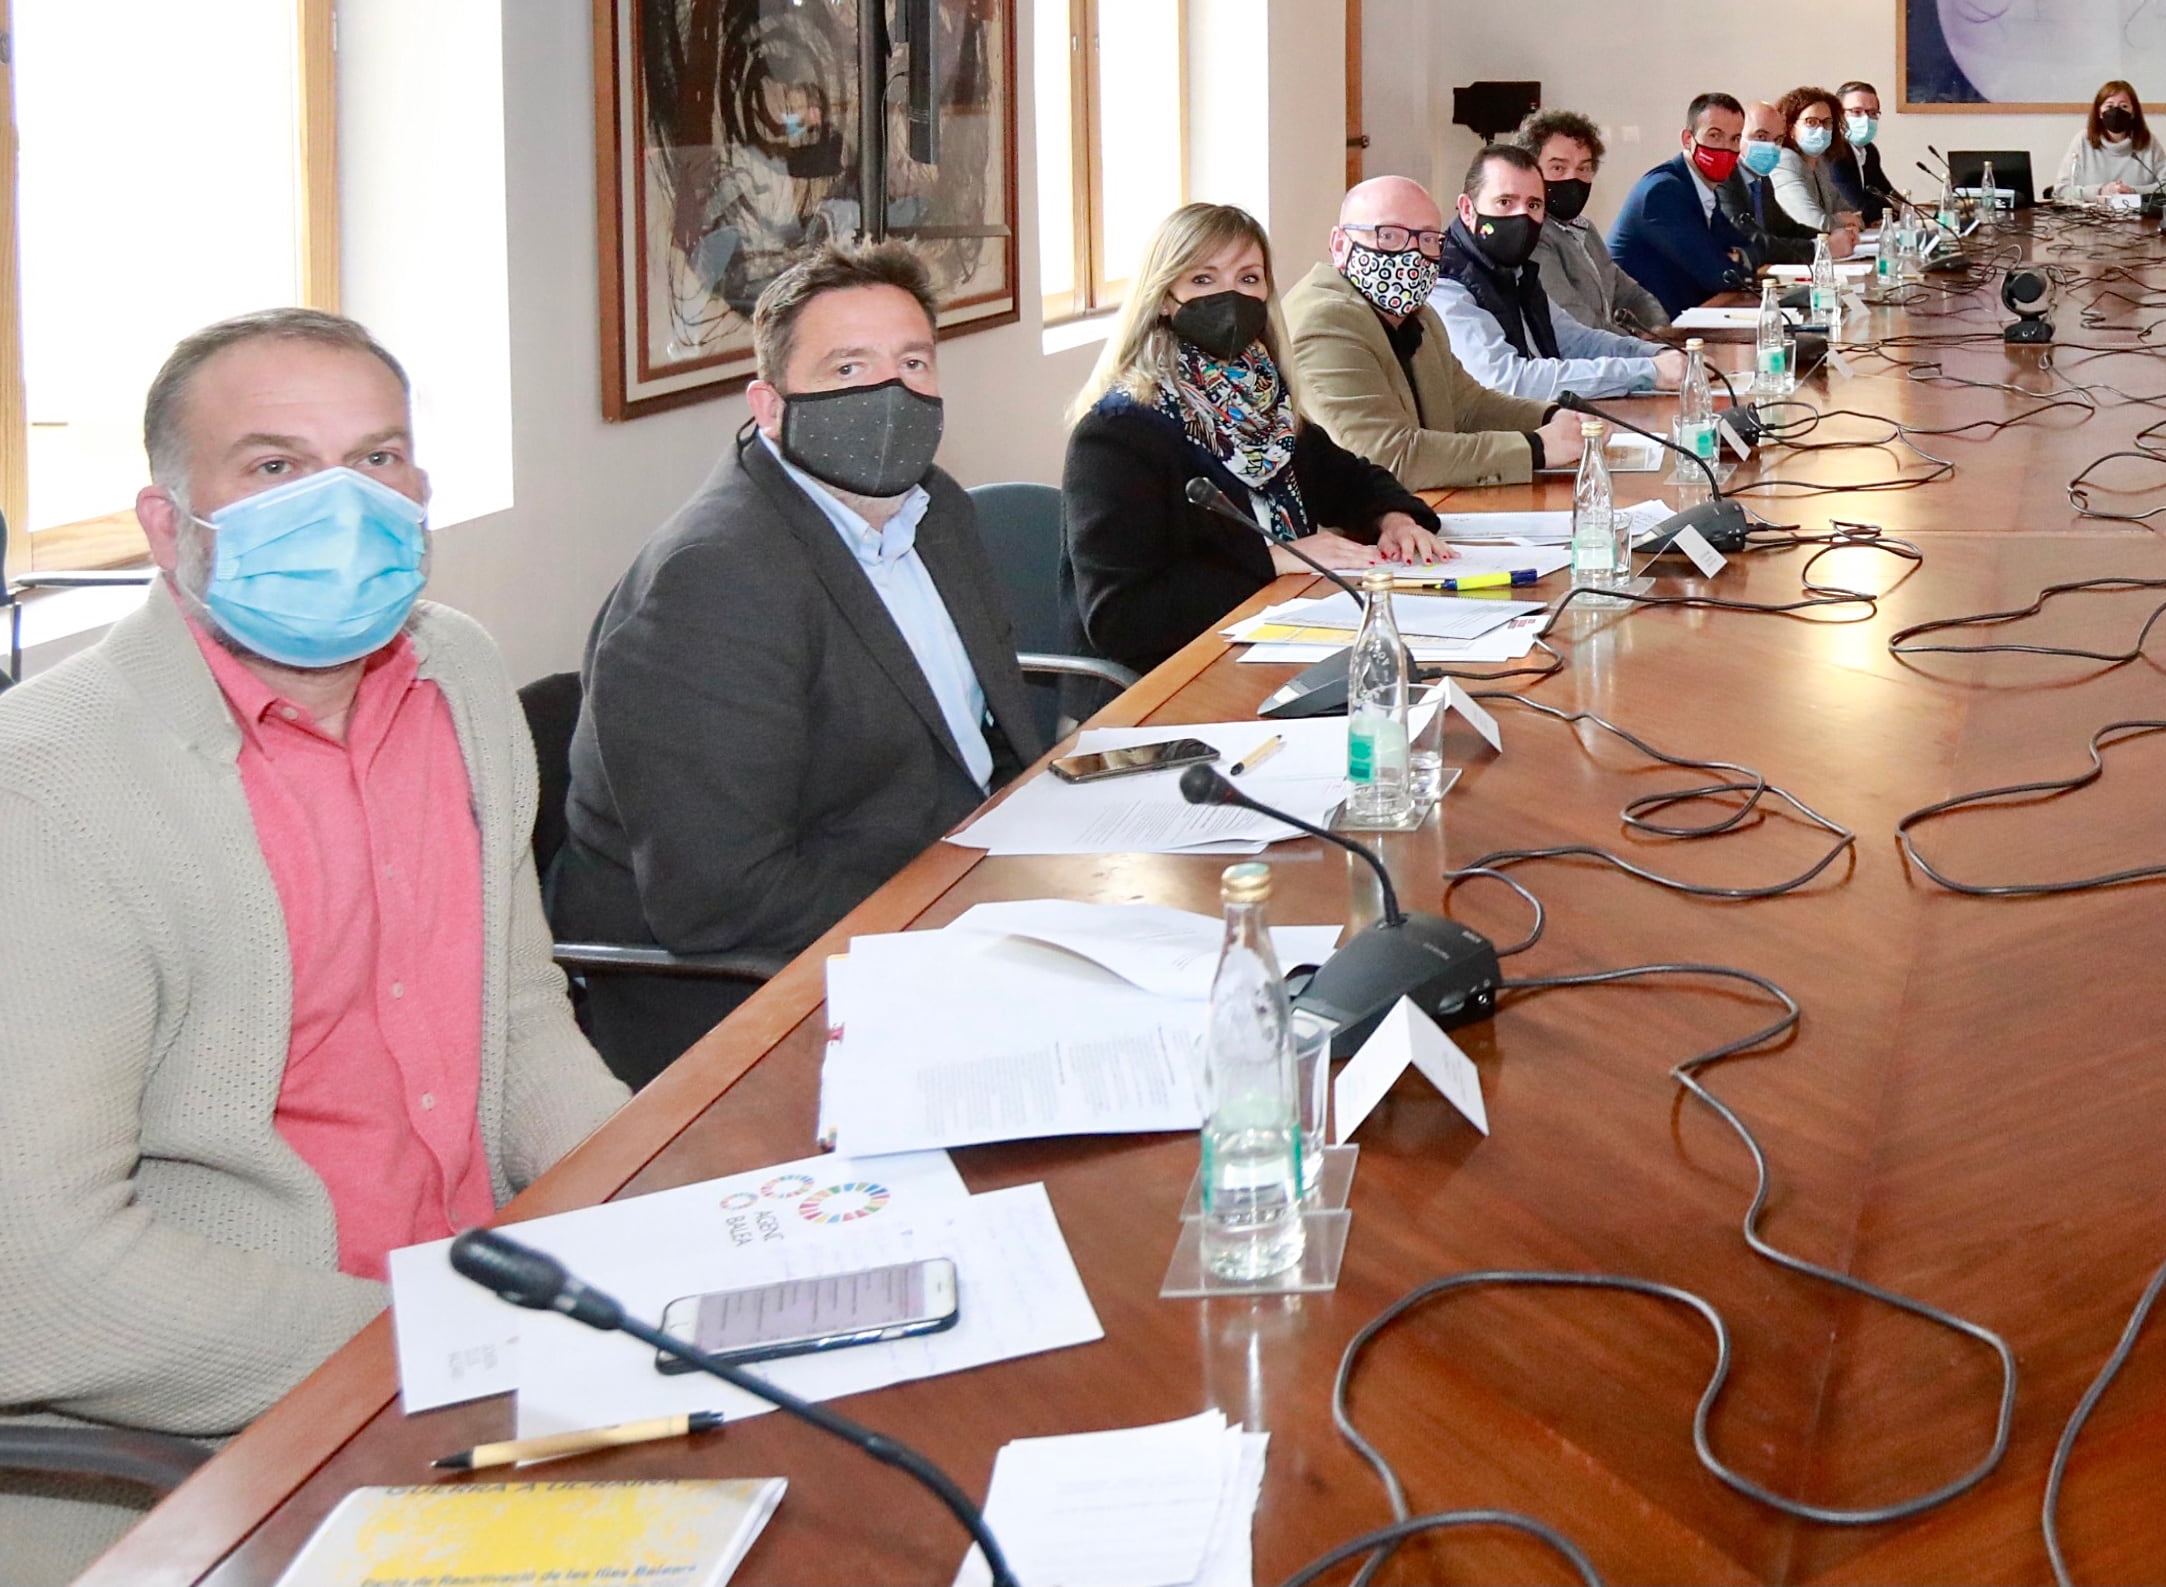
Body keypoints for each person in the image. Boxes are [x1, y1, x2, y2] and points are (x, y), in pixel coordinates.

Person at [0, 312, 625, 1576]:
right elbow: (42, 1278)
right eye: (275, 467)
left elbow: (515, 1020)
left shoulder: (458, 674)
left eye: (379, 456)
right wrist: (458, 1337)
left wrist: (656, 1219)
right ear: (170, 525)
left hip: (485, 1347)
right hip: (220, 1449)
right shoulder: (48, 790)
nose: (344, 501)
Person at [555, 243, 1039, 1085]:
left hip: (938, 903)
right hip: (756, 1001)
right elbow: (722, 898)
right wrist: (961, 907)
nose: (889, 393)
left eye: (912, 362)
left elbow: (983, 738)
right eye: (847, 365)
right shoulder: (712, 579)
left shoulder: (936, 510)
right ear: (770, 405)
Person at [1065, 203, 1447, 673]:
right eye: (1203, 280)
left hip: (1284, 638)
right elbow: (1119, 618)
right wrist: (1270, 560)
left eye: (1249, 279)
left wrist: (1395, 519)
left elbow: (1350, 479)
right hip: (1177, 677)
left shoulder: (1261, 401)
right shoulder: (1118, 433)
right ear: (1164, 296)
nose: (1231, 296)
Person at [1286, 176, 1581, 492]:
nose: (1412, 256)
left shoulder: (1420, 317)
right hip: (1353, 534)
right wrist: (1536, 448)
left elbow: (1469, 406)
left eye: (1427, 239)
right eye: (1389, 235)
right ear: (1340, 245)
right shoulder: (1324, 322)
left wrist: (1554, 417)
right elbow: (1389, 458)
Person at [1433, 143, 1690, 400]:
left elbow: (1576, 341)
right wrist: (1646, 372)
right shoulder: (1446, 282)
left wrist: (1655, 354)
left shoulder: (1516, 271)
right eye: (1505, 202)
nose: (1521, 216)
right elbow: (1507, 381)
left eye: (1533, 205)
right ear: (1468, 209)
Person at [1520, 107, 1672, 338]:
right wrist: (1642, 349)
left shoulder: (1584, 230)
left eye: (1584, 168)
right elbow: (1578, 326)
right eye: (1558, 168)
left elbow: (1631, 294)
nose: (1573, 178)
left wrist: (1659, 331)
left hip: (1612, 358)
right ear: (1531, 172)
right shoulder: (1532, 237)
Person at [1609, 92, 1763, 318]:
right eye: (1714, 136)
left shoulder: (1702, 188)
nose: (1726, 148)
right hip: (1646, 332)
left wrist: (1738, 258)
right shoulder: (1662, 192)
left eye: (1734, 139)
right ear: (1687, 139)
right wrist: (1731, 262)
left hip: (1686, 318)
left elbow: (1749, 247)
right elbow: (1718, 275)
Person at [1734, 96, 1857, 265]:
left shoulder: (1762, 178)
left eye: (1777, 140)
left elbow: (1786, 228)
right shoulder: (1726, 179)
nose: (1771, 146)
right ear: (1737, 135)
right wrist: (1820, 248)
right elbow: (1753, 241)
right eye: (1761, 136)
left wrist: (1828, 238)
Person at [1767, 85, 1871, 237]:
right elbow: (1813, 223)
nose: (1821, 129)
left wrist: (1847, 220)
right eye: (1811, 122)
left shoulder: (1820, 162)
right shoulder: (1784, 161)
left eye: (1827, 122)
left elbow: (1853, 215)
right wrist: (1842, 221)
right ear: (1790, 127)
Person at [2052, 78, 2166, 202]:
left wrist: (2132, 191)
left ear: (2133, 112)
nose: (2116, 111)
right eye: (2109, 106)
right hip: (2091, 219)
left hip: (2138, 219)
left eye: (2124, 106)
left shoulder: (2148, 141)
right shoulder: (2083, 141)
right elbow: (2061, 190)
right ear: (2099, 112)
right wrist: (2101, 191)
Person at [1837, 80, 1906, 215]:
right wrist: (1894, 210)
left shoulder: (1869, 150)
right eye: (1856, 112)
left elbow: (1886, 192)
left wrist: (1911, 209)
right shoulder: (1834, 153)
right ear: (1838, 115)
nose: (1866, 119)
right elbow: (1855, 205)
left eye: (1872, 113)